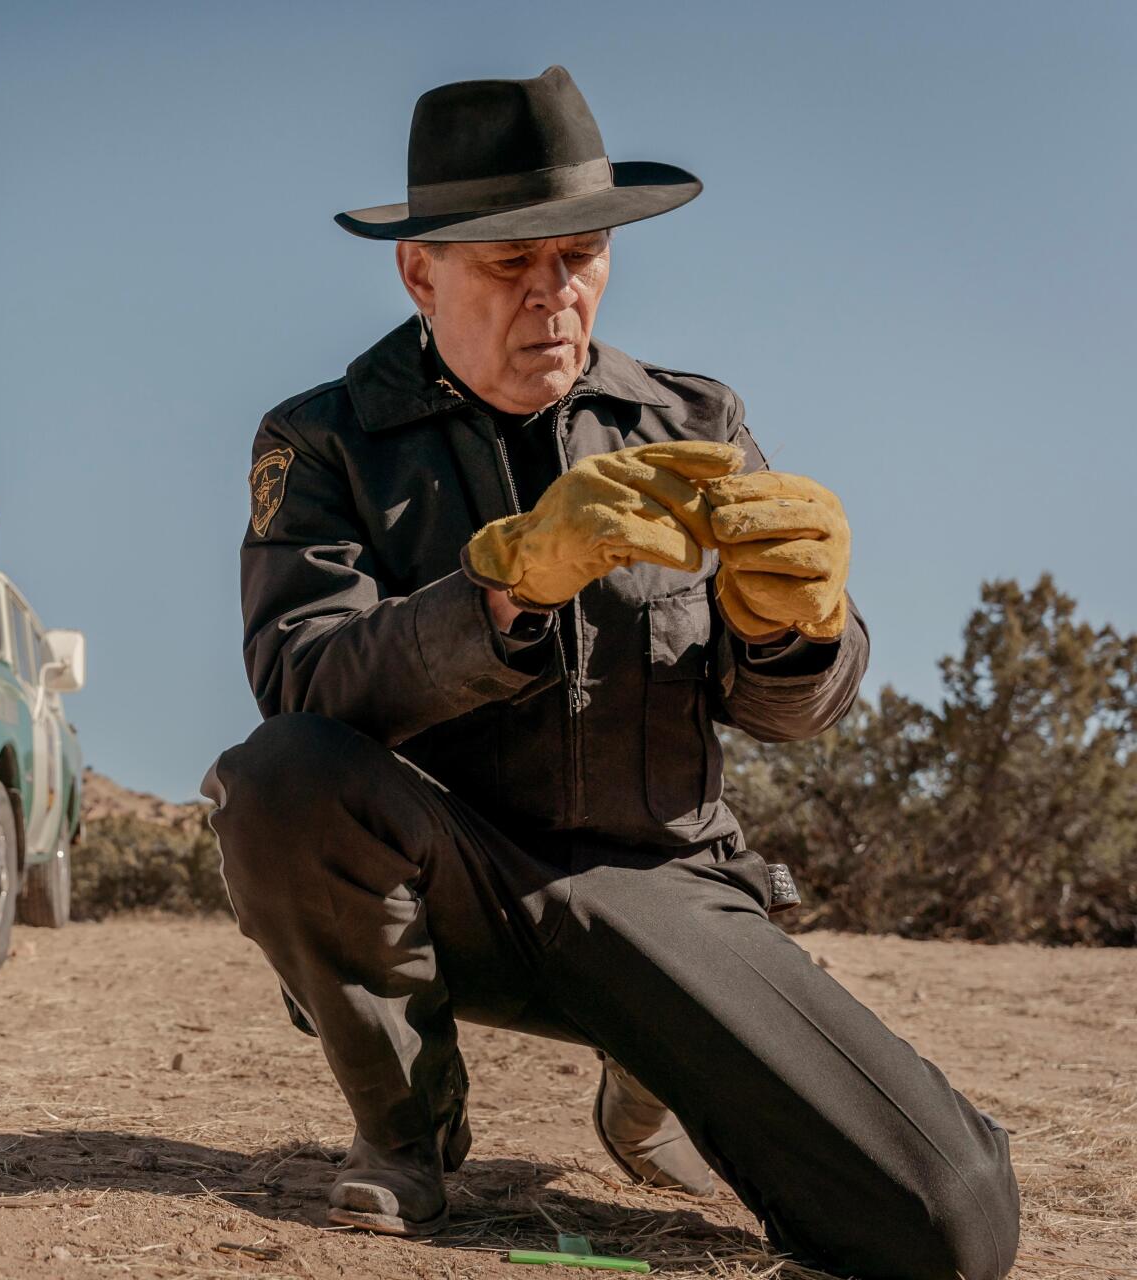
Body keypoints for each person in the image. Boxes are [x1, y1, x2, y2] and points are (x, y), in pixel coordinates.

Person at [203, 68, 1019, 1279]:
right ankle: (407, 1132)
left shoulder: (696, 420)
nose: (555, 295)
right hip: (457, 889)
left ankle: (653, 1061)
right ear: (419, 272)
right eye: (509, 265)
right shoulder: (320, 439)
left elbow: (788, 711)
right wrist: (501, 592)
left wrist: (799, 629)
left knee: (955, 1224)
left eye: (580, 257)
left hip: (663, 890)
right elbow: (301, 679)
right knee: (277, 777)